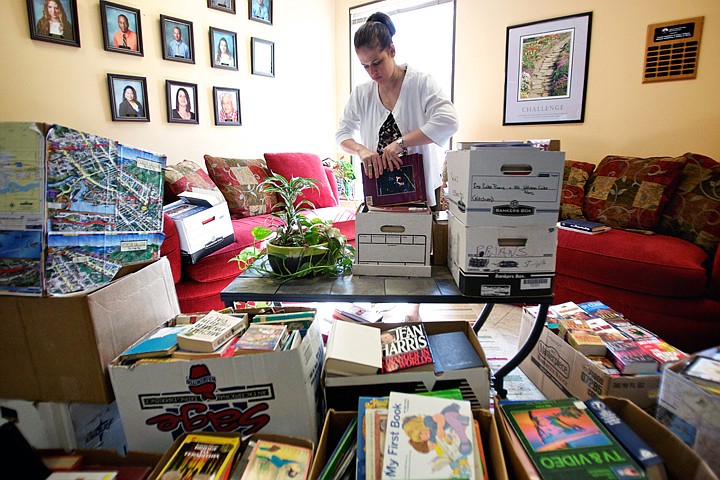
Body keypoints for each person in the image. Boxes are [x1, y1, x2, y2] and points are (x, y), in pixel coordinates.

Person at [336, 12, 458, 322]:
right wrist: (362, 150)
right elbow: (341, 133)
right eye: (364, 66)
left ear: (392, 51)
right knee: (380, 249)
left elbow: (448, 121)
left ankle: (413, 311)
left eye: (377, 62)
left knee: (419, 253)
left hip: (418, 185)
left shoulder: (420, 83)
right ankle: (375, 310)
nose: (372, 72)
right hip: (379, 189)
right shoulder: (362, 93)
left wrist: (402, 142)